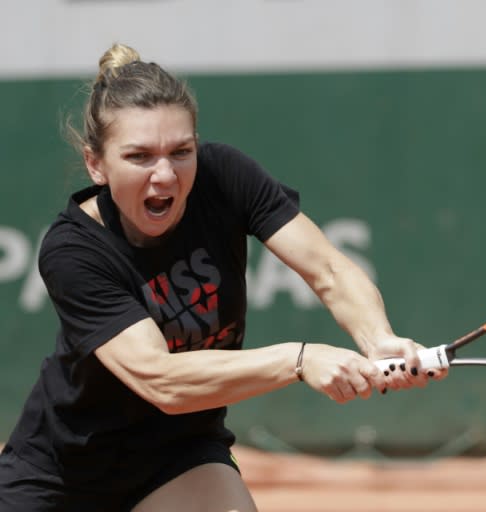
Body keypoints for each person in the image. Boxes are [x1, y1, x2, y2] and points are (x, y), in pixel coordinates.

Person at [0, 43, 442, 511]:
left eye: (181, 151)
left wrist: (378, 339)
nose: (165, 175)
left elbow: (329, 269)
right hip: (62, 475)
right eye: (140, 156)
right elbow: (161, 380)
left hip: (179, 457)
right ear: (97, 165)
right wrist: (299, 359)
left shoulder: (225, 176)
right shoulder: (73, 250)